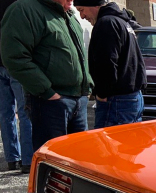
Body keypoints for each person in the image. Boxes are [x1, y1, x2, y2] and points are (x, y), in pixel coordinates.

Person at [0, 0, 92, 153]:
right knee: (54, 164)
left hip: (78, 101)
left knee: (80, 162)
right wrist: (48, 92)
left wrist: (87, 87)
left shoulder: (68, 14)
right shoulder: (25, 9)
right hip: (52, 103)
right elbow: (15, 57)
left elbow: (79, 55)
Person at [75, 0, 146, 128]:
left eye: (81, 10)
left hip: (117, 100)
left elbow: (107, 62)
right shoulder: (122, 22)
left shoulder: (106, 23)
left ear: (94, 4)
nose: (82, 16)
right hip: (132, 97)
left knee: (109, 145)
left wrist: (102, 93)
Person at [0, 0, 32, 173]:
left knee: (6, 113)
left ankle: (12, 158)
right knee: (25, 111)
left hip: (1, 63)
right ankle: (27, 160)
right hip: (16, 63)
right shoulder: (20, 5)